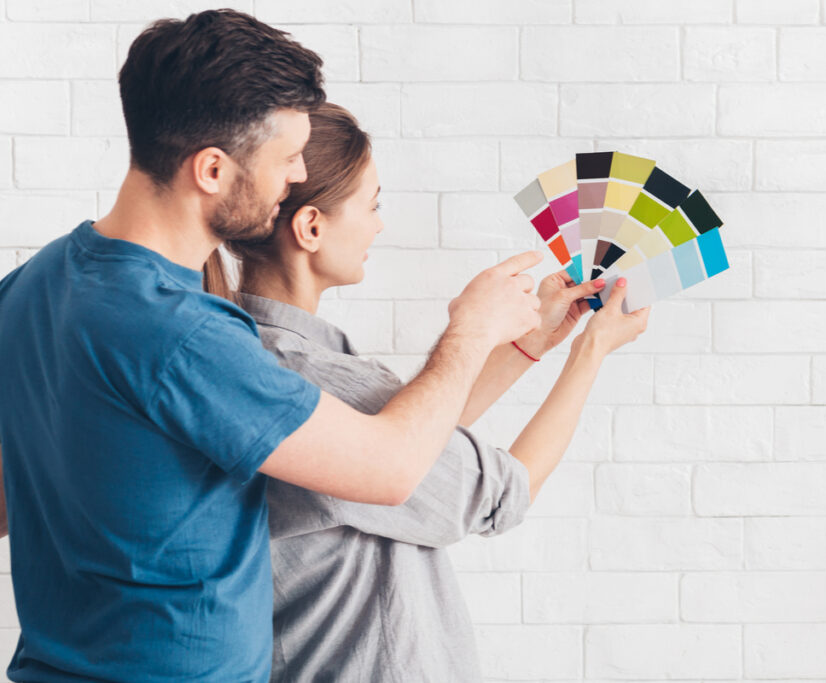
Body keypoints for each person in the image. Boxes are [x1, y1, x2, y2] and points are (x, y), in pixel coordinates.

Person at [0, 10, 544, 681]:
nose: (294, 179)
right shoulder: (186, 335)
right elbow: (391, 468)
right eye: (286, 159)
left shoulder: (32, 284)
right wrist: (471, 328)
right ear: (212, 170)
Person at [216, 102, 650, 681]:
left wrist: (529, 344)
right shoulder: (311, 377)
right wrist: (589, 351)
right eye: (372, 205)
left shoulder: (256, 355)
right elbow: (503, 493)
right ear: (311, 227)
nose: (379, 224)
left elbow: (414, 448)